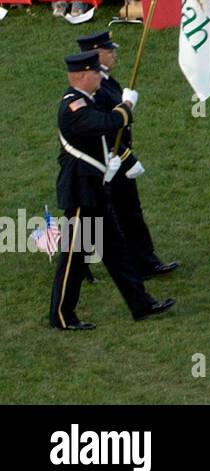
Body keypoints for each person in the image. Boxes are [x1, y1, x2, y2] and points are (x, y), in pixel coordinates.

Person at [50, 50, 176, 331]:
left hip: (94, 190)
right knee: (73, 258)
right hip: (81, 194)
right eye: (95, 71)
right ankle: (61, 315)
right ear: (82, 75)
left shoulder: (87, 101)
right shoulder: (73, 106)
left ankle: (141, 304)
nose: (100, 75)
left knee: (117, 252)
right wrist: (127, 106)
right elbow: (105, 124)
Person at [75, 29, 178, 279]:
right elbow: (105, 128)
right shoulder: (95, 88)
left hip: (116, 159)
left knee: (129, 212)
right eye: (110, 51)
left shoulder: (106, 80)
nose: (114, 55)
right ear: (97, 53)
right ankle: (82, 265)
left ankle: (145, 262)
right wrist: (126, 157)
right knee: (103, 216)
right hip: (108, 161)